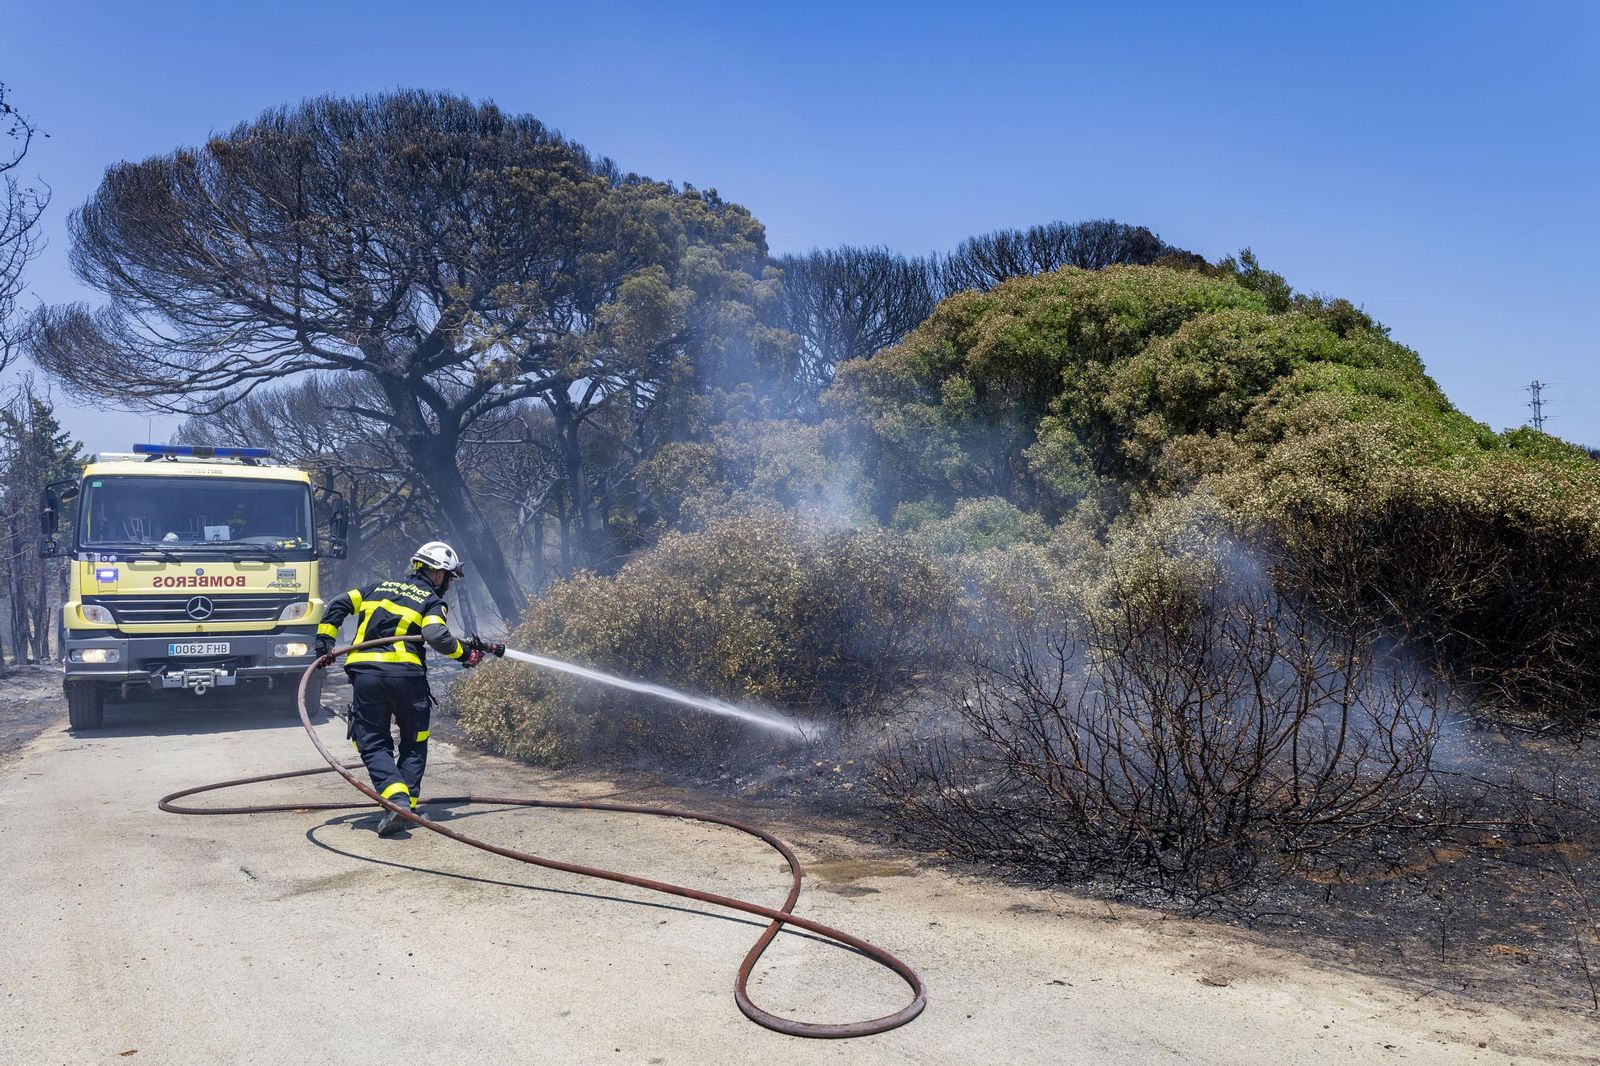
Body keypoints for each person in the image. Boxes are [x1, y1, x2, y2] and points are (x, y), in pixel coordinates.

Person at [315, 541, 487, 836]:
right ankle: (402, 803)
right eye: (448, 578)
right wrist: (466, 655)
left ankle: (398, 802)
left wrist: (324, 643)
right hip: (407, 678)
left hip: (366, 676)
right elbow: (435, 634)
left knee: (372, 741)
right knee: (414, 741)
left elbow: (339, 603)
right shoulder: (432, 600)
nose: (447, 585)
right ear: (437, 574)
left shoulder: (376, 588)